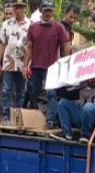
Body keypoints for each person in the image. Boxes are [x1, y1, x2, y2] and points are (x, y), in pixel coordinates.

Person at [23, 1, 70, 129]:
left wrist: (65, 61)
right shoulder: (33, 27)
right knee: (33, 93)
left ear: (53, 11)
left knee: (52, 94)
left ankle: (50, 120)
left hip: (52, 68)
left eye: (50, 10)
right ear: (41, 10)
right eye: (46, 10)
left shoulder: (59, 27)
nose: (48, 13)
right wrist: (25, 65)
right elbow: (29, 47)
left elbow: (66, 44)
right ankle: (32, 118)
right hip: (36, 66)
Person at [52, 58, 95, 143]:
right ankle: (67, 134)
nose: (89, 80)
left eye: (92, 76)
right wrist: (60, 74)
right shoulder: (83, 89)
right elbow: (63, 93)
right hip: (84, 119)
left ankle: (85, 135)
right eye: (87, 77)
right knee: (63, 103)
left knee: (88, 107)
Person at [0, 0, 31, 125]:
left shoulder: (30, 25)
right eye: (16, 7)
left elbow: (32, 46)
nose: (18, 10)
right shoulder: (6, 24)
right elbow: (2, 43)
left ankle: (17, 117)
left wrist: (28, 65)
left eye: (20, 8)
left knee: (21, 91)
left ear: (24, 9)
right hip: (8, 63)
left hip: (23, 64)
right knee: (6, 90)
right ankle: (5, 116)